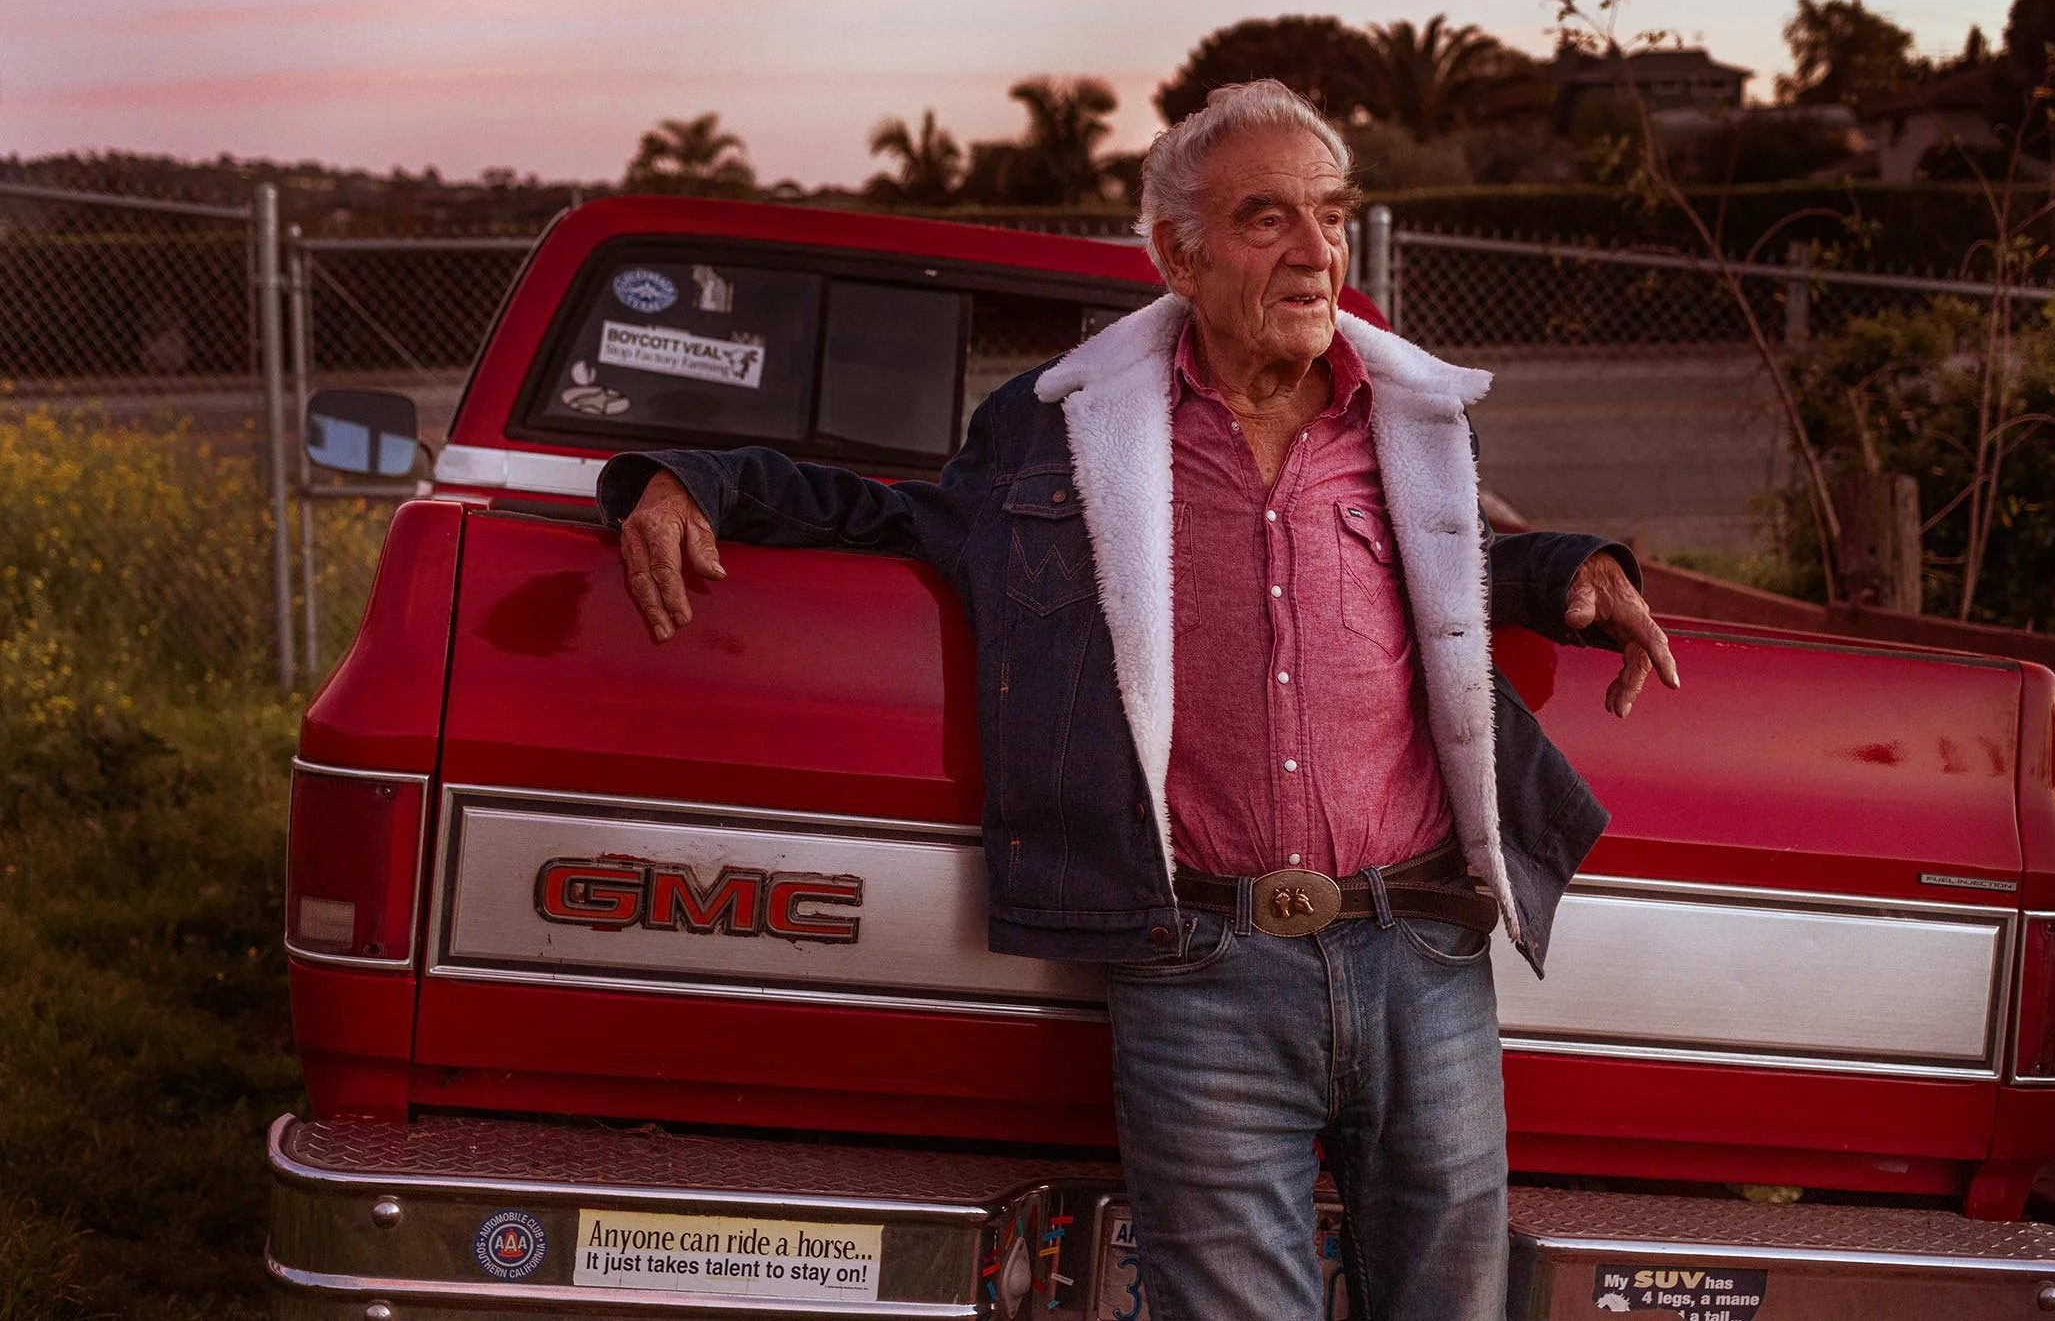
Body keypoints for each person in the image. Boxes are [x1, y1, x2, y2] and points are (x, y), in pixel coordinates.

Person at [596, 79, 1678, 1321]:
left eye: (1329, 214)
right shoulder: (1056, 436)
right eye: (1265, 218)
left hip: (1423, 943)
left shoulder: (1412, 424)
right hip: (1197, 963)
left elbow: (1455, 574)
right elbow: (886, 512)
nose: (1317, 251)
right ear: (1174, 252)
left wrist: (1578, 571)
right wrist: (688, 478)